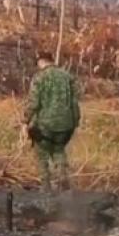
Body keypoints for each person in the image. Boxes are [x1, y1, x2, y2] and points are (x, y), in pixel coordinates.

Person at [23, 52, 81, 191]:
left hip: (45, 126)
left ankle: (46, 189)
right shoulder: (67, 76)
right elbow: (75, 102)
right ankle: (63, 184)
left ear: (40, 61)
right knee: (59, 151)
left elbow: (33, 103)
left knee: (41, 154)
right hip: (65, 125)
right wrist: (75, 122)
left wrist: (25, 121)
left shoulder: (40, 77)